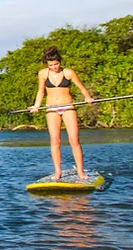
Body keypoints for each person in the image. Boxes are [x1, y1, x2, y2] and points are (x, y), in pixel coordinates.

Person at [28, 46, 95, 180]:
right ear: (47, 64)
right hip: (51, 108)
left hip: (68, 107)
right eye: (51, 65)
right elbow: (41, 91)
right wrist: (36, 105)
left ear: (60, 62)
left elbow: (82, 88)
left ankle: (80, 172)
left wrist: (88, 97)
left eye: (56, 64)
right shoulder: (43, 74)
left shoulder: (68, 73)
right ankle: (57, 172)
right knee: (55, 140)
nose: (54, 67)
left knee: (74, 140)